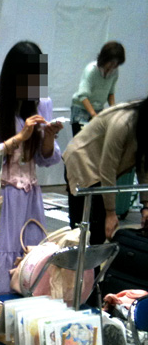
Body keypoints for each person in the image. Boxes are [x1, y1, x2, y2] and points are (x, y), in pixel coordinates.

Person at [0, 41, 64, 295]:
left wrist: (48, 137)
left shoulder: (42, 104)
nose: (34, 86)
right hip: (2, 197)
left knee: (31, 255)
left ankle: (23, 308)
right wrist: (19, 138)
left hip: (31, 197)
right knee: (1, 251)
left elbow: (45, 158)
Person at [63, 98, 148, 243]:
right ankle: (80, 255)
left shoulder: (142, 122)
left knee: (98, 231)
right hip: (82, 160)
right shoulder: (123, 122)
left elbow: (144, 165)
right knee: (83, 229)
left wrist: (146, 206)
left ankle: (93, 254)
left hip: (100, 164)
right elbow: (108, 167)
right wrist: (110, 213)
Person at [70, 41, 125, 136]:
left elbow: (111, 92)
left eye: (117, 64)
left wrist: (113, 110)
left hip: (98, 109)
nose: (114, 66)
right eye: (112, 62)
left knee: (95, 141)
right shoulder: (91, 70)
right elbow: (82, 95)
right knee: (81, 140)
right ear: (105, 58)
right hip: (81, 109)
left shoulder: (115, 71)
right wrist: (94, 115)